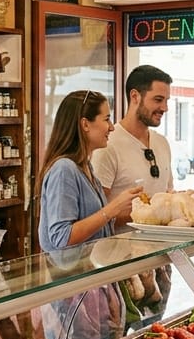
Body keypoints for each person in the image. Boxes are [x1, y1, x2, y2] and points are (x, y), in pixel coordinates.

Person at [38, 90, 143, 252]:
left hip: (93, 272)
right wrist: (111, 209)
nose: (111, 127)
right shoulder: (64, 169)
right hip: (73, 275)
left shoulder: (86, 167)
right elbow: (61, 237)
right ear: (85, 124)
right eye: (107, 119)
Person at [92, 65, 173, 223]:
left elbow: (168, 194)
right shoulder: (108, 145)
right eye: (158, 100)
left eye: (166, 101)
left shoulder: (162, 143)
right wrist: (148, 215)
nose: (164, 108)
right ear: (135, 96)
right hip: (119, 246)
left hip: (162, 246)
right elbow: (96, 215)